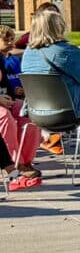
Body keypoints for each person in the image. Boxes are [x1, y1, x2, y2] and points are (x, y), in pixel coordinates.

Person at [0, 25, 41, 188]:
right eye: (6, 39)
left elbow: (5, 84)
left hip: (6, 99)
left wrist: (13, 95)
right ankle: (13, 167)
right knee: (5, 117)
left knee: (29, 113)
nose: (11, 42)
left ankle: (24, 162)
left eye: (12, 39)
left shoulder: (2, 59)